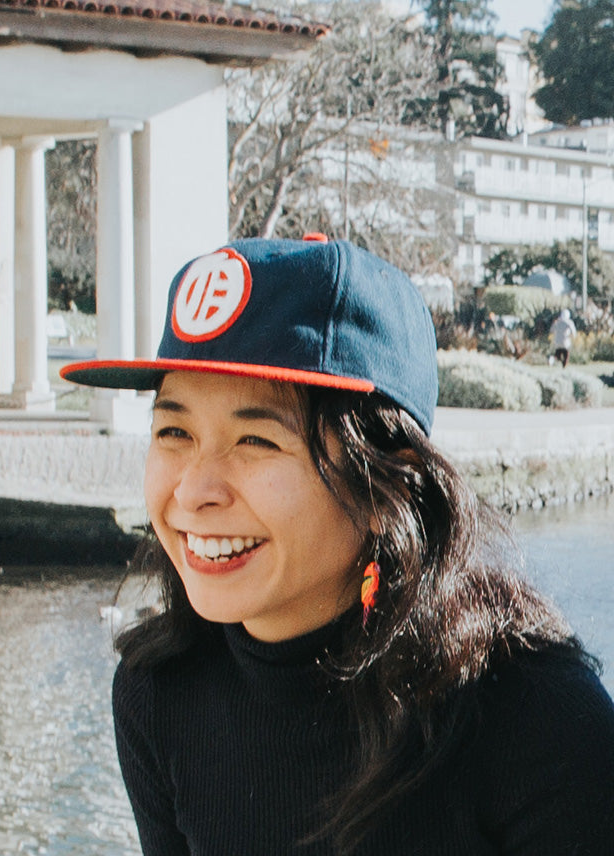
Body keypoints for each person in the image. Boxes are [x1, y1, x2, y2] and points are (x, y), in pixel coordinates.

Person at [61, 235, 614, 856]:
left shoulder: (535, 720)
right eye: (174, 431)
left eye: (256, 442)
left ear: (386, 486)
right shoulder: (157, 695)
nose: (192, 490)